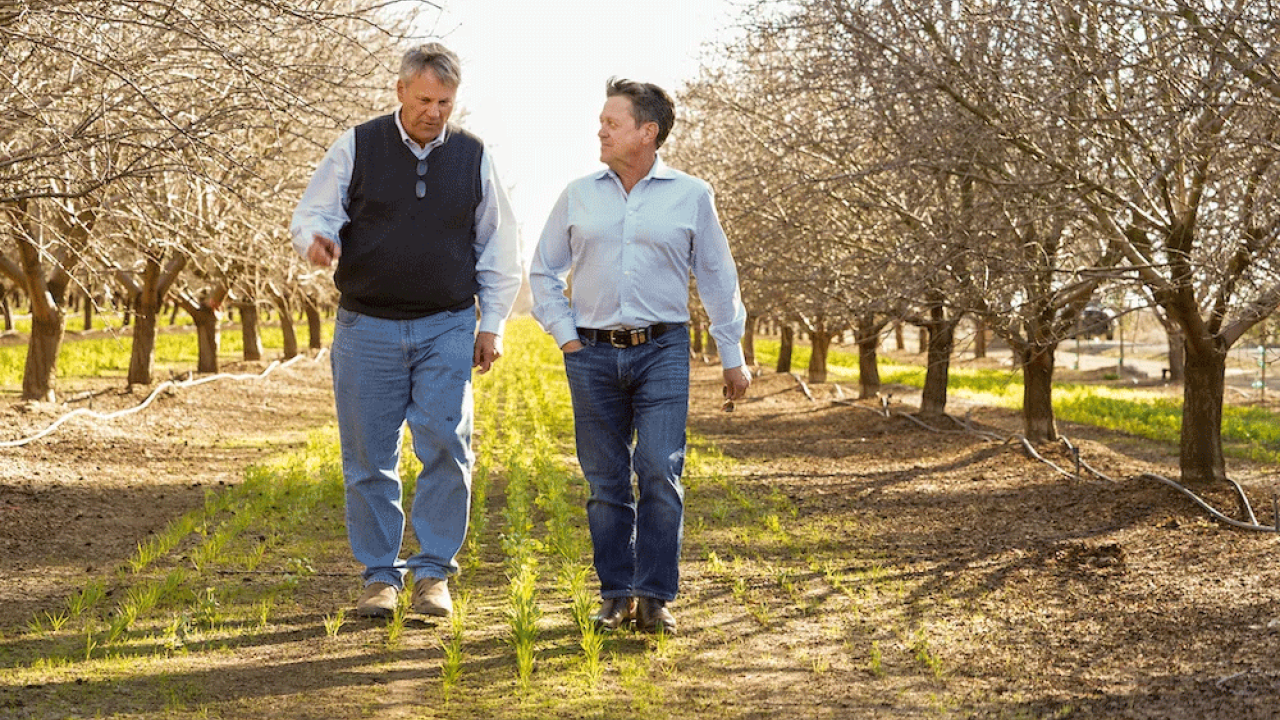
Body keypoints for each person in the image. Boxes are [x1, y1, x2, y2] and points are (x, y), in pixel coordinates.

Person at [290, 43, 522, 619]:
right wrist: (316, 240)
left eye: (445, 101)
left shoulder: (472, 156)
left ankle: (434, 573)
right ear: (400, 92)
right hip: (366, 325)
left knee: (447, 446)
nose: (434, 112)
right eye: (424, 100)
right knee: (369, 456)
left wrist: (491, 324)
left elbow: (498, 245)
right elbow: (313, 213)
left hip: (446, 324)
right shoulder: (359, 145)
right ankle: (379, 576)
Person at [529, 78, 751, 635]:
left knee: (658, 468)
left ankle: (654, 595)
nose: (600, 130)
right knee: (605, 480)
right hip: (592, 353)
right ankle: (615, 592)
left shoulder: (692, 195)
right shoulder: (577, 194)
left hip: (663, 349)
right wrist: (567, 335)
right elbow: (543, 272)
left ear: (646, 133)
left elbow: (719, 278)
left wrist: (732, 354)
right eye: (602, 121)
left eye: (612, 122)